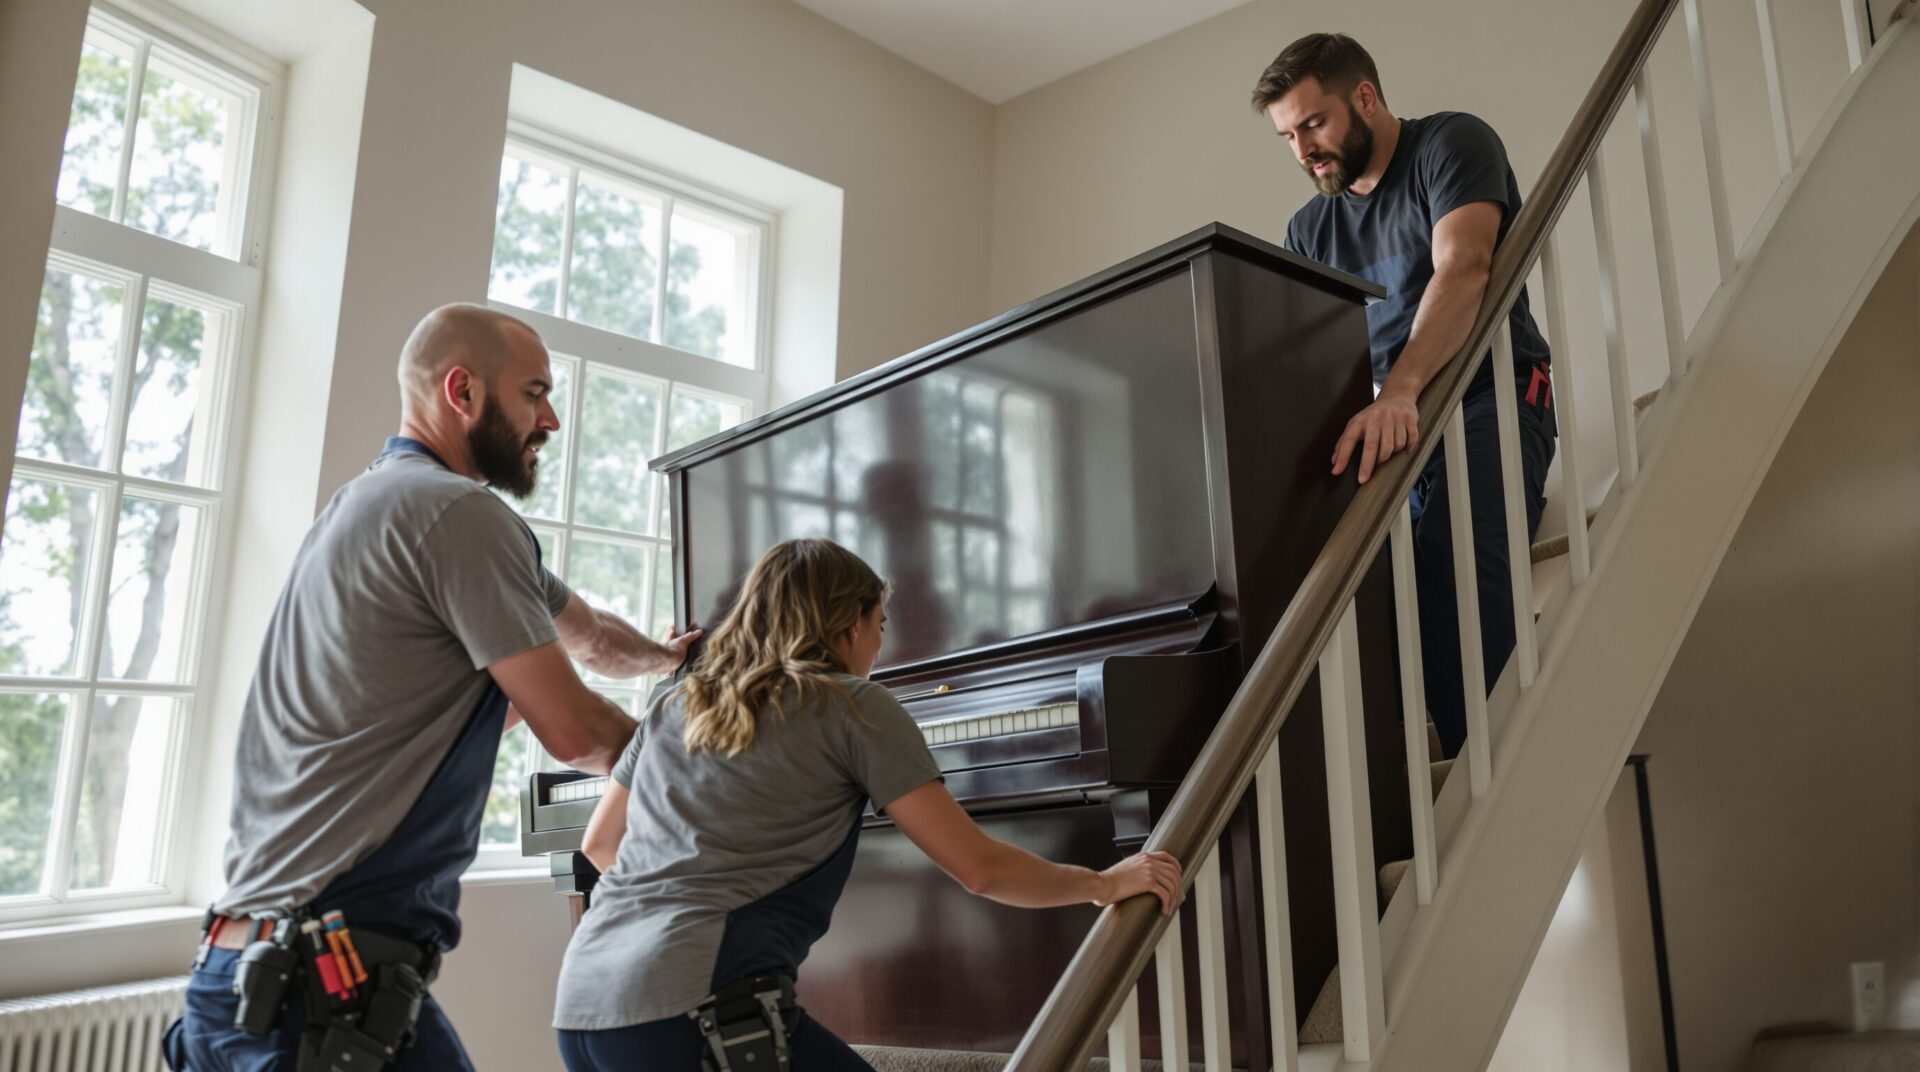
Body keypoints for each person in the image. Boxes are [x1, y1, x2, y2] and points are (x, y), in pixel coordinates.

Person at [163, 303, 698, 1071]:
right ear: (462, 391)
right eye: (534, 394)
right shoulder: (461, 517)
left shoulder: (371, 505)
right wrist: (704, 764)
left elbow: (588, 636)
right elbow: (577, 732)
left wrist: (666, 661)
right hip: (322, 985)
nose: (549, 420)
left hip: (242, 972)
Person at [551, 538, 1183, 1071]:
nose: (879, 649)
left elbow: (601, 845)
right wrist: (1103, 882)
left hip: (583, 1004)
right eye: (880, 627)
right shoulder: (850, 704)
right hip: (696, 1011)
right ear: (850, 622)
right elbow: (979, 869)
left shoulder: (676, 703)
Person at [1252, 33, 1557, 760]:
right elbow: (1316, 364)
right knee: (1338, 586)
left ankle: (1493, 764)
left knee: (1453, 553)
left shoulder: (1450, 145)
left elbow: (1465, 267)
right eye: (1288, 136)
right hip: (1395, 427)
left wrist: (1404, 390)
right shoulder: (1309, 228)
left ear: (1364, 96)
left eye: (1314, 124)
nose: (1303, 150)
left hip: (1489, 392)